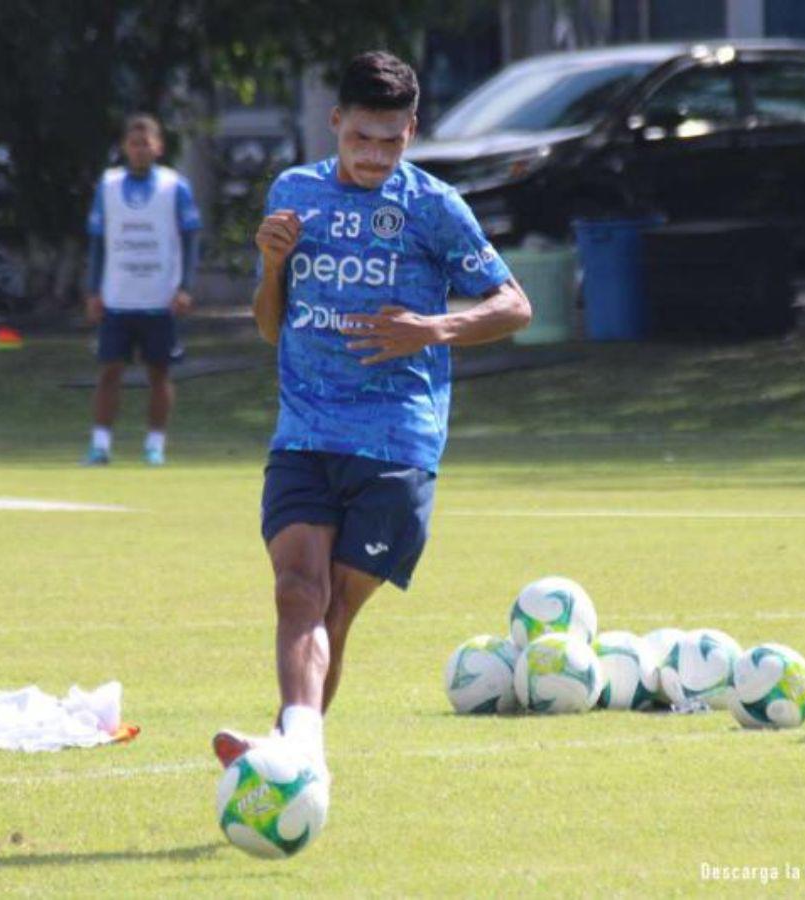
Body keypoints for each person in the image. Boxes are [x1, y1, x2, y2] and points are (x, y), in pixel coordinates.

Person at [212, 52, 531, 788]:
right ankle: (301, 755)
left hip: (397, 440)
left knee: (335, 612)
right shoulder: (292, 194)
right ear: (335, 123)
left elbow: (515, 304)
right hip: (304, 432)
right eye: (361, 139)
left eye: (391, 141)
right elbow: (270, 326)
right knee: (298, 590)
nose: (375, 156)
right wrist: (269, 268)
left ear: (412, 130)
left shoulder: (434, 208)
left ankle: (293, 746)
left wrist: (433, 327)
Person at [82, 114, 202, 467]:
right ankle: (100, 444)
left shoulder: (174, 185)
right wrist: (93, 291)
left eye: (146, 142)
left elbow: (191, 237)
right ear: (124, 148)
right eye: (134, 143)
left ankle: (155, 445)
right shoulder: (108, 185)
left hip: (159, 298)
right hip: (117, 296)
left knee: (159, 373)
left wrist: (186, 287)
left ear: (158, 146)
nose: (140, 149)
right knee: (109, 371)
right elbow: (97, 242)